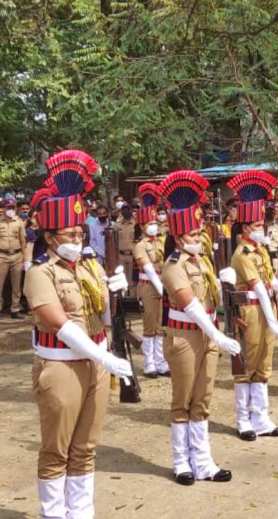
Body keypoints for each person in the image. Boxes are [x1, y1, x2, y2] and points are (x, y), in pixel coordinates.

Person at [25, 150, 133, 518]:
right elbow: (59, 323)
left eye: (79, 231)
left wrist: (116, 290)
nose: (76, 237)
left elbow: (100, 315)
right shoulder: (40, 273)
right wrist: (104, 356)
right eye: (69, 233)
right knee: (57, 451)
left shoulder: (89, 264)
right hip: (61, 367)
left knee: (86, 448)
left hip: (94, 365)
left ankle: (81, 513)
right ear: (51, 237)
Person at [159, 170, 239, 485]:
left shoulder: (202, 261)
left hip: (207, 333)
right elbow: (190, 303)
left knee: (203, 399)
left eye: (198, 232)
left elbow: (209, 298)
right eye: (192, 234)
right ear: (178, 238)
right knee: (183, 400)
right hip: (184, 336)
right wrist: (217, 334)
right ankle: (181, 462)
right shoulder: (172, 266)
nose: (198, 238)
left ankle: (203, 462)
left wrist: (225, 282)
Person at [223, 170, 278, 439]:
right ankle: (244, 420)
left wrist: (277, 284)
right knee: (246, 366)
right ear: (245, 229)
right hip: (251, 311)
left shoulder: (261, 249)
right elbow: (257, 289)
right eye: (255, 225)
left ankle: (261, 418)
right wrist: (274, 320)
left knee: (264, 365)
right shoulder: (242, 254)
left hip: (266, 309)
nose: (261, 228)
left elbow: (268, 281)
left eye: (260, 223)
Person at [133, 183, 168, 378]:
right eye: (149, 224)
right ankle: (149, 363)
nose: (154, 226)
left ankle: (161, 362)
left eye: (155, 222)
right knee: (149, 325)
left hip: (163, 284)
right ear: (142, 226)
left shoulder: (162, 240)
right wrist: (162, 288)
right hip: (149, 286)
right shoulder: (140, 245)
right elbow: (148, 269)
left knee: (161, 326)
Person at [0, 194, 25, 318]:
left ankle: (15, 309)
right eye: (7, 207)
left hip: (17, 256)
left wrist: (25, 258)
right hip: (2, 256)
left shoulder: (19, 222)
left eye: (12, 207)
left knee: (17, 284)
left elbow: (23, 241)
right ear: (3, 208)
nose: (9, 209)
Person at [115, 203, 137, 297]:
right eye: (123, 209)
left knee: (132, 280)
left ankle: (132, 300)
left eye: (127, 209)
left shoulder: (136, 224)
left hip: (133, 255)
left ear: (131, 210)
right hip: (121, 255)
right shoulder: (117, 225)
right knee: (122, 278)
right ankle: (122, 301)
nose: (125, 211)